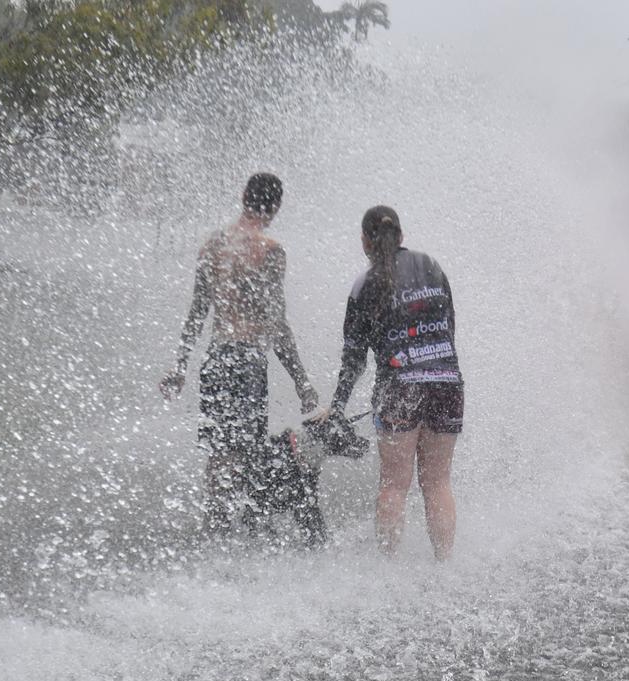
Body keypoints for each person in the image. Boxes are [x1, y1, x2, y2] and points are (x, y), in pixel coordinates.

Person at [159, 172, 319, 535]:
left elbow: (197, 313)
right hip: (247, 360)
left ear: (244, 196)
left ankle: (214, 526)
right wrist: (302, 383)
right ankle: (246, 532)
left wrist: (180, 366)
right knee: (247, 450)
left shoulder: (212, 245)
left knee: (219, 451)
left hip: (215, 359)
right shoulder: (270, 251)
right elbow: (277, 324)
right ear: (275, 207)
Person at [316, 206, 463, 560]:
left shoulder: (365, 284)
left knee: (394, 485)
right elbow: (450, 328)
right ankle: (444, 565)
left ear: (365, 241)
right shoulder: (431, 265)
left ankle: (388, 570)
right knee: (438, 483)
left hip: (399, 388)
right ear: (401, 236)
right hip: (446, 381)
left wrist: (336, 408)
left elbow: (353, 359)